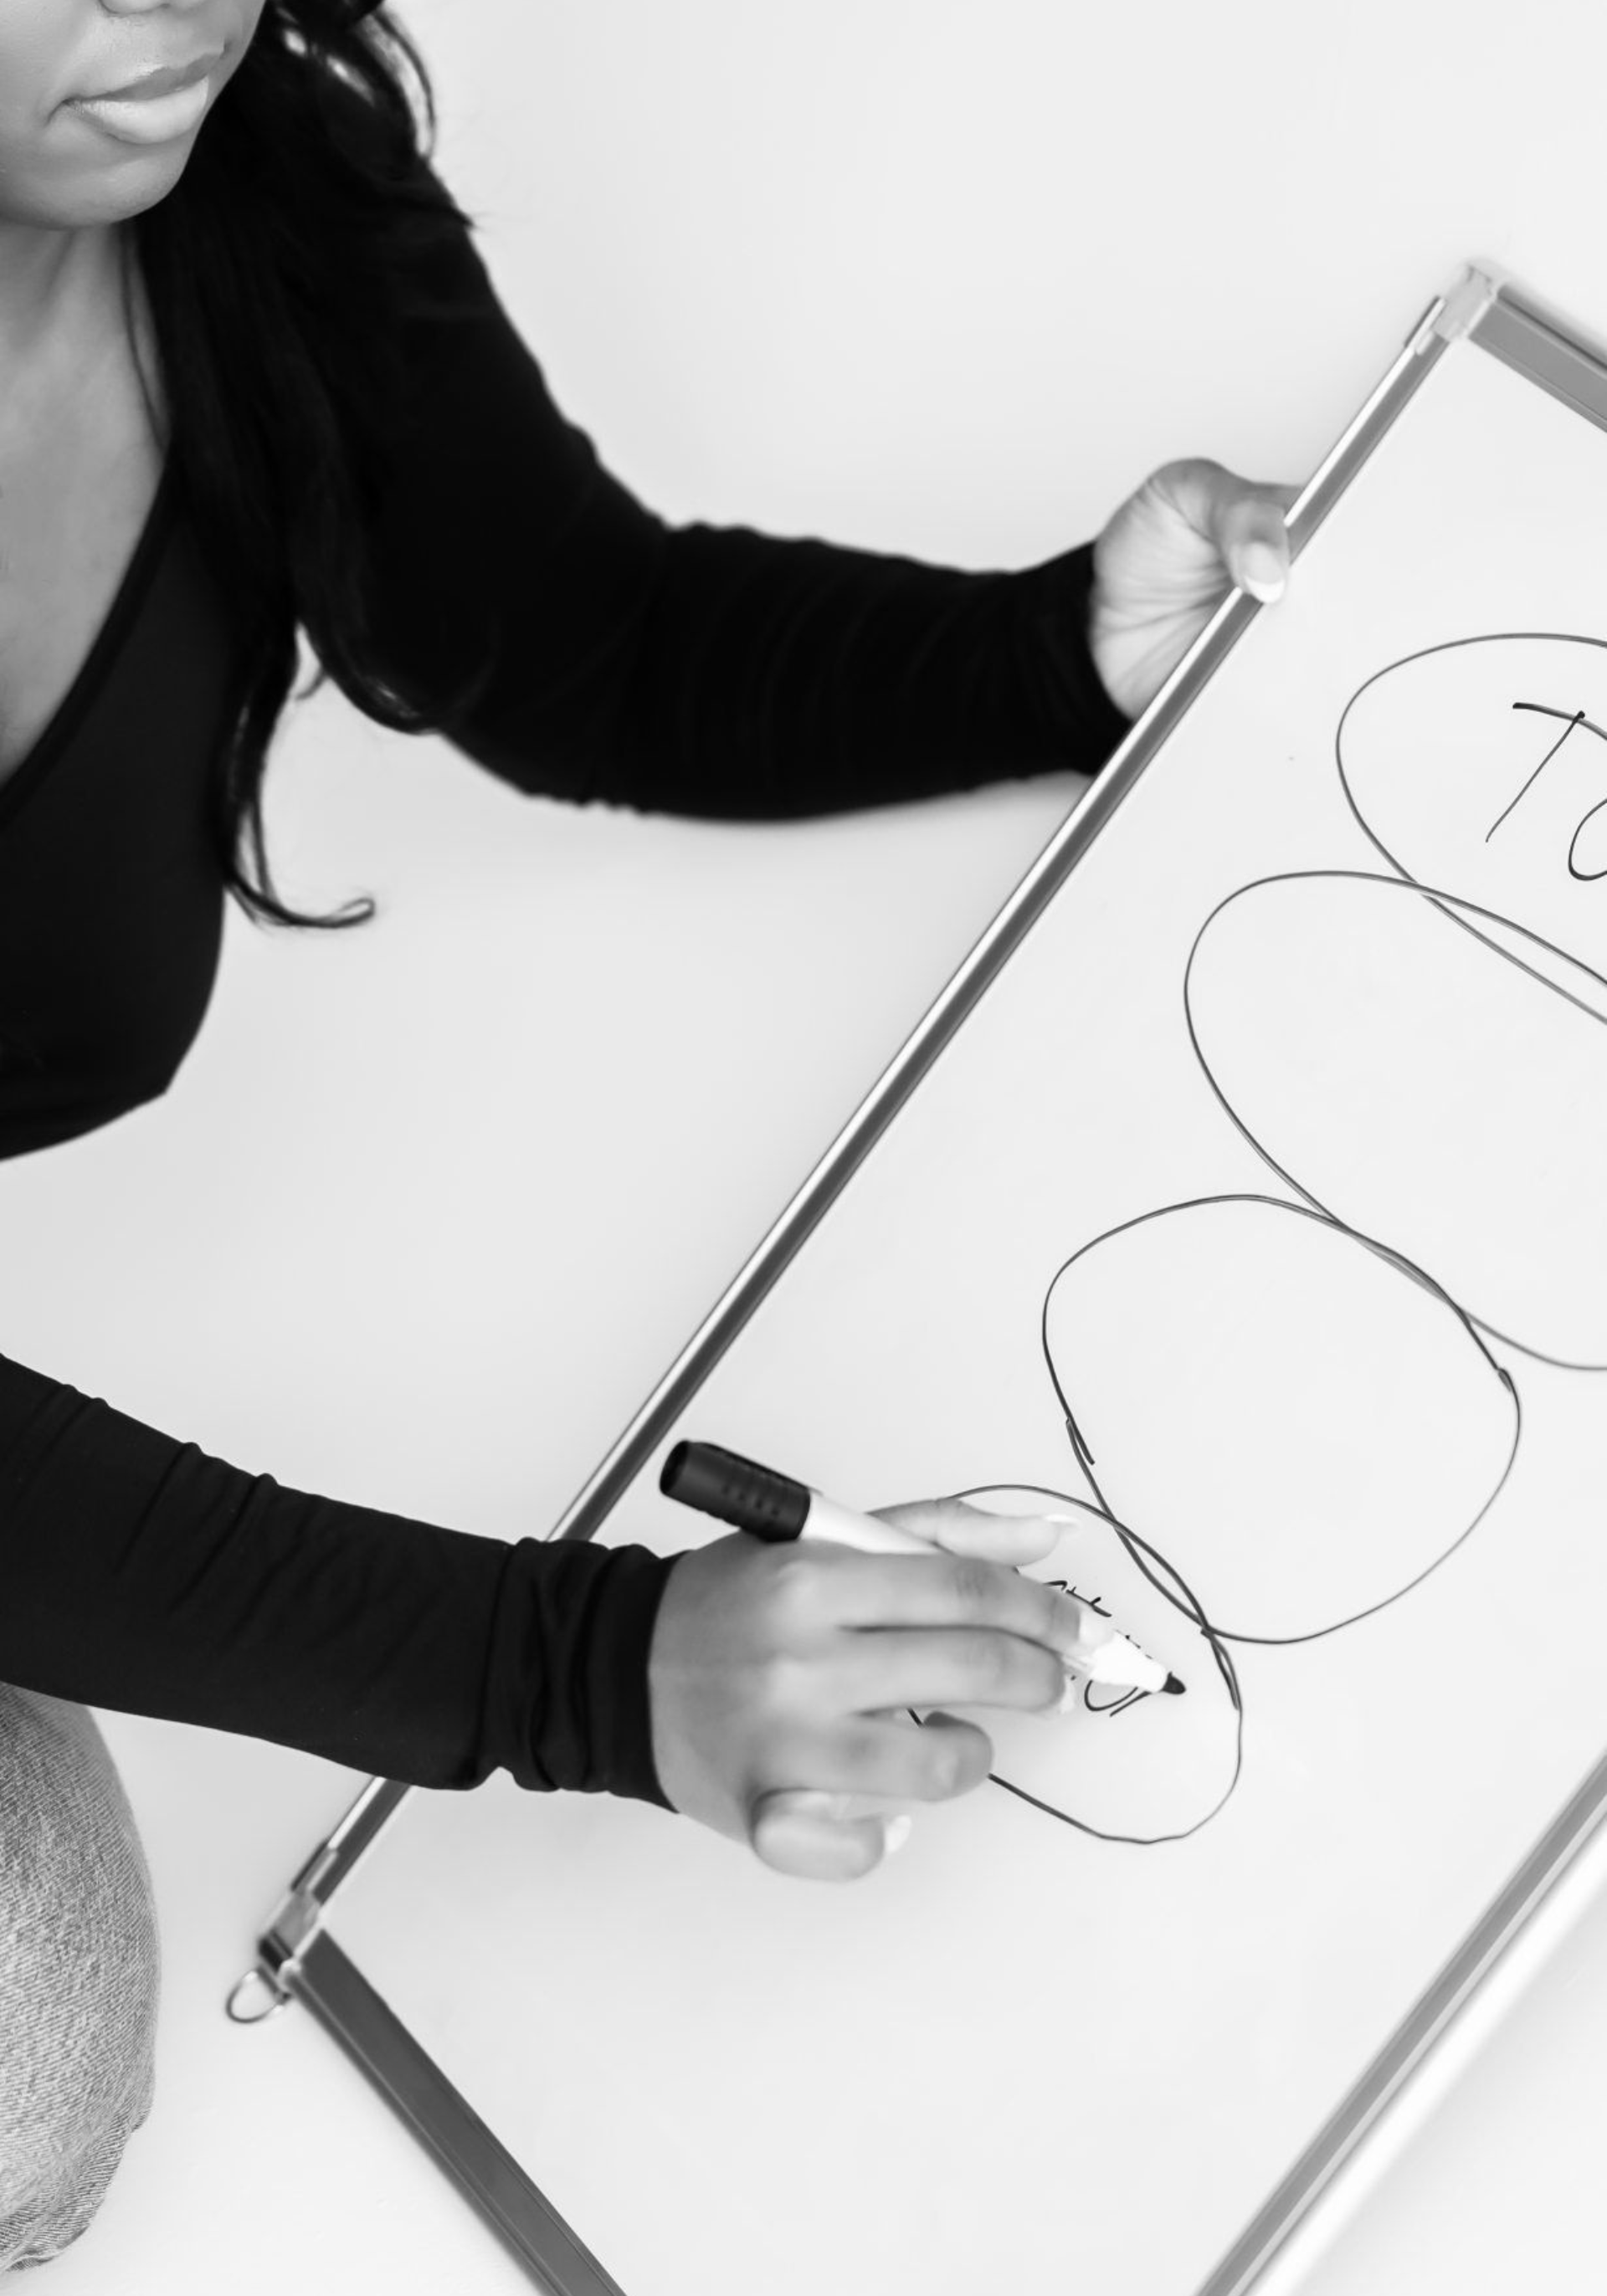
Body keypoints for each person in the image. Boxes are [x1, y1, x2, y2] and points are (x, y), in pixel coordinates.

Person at [0, 0, 1296, 2267]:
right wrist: (574, 1669)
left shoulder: (239, 193)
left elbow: (582, 637)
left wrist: (1056, 664)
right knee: (33, 2081)